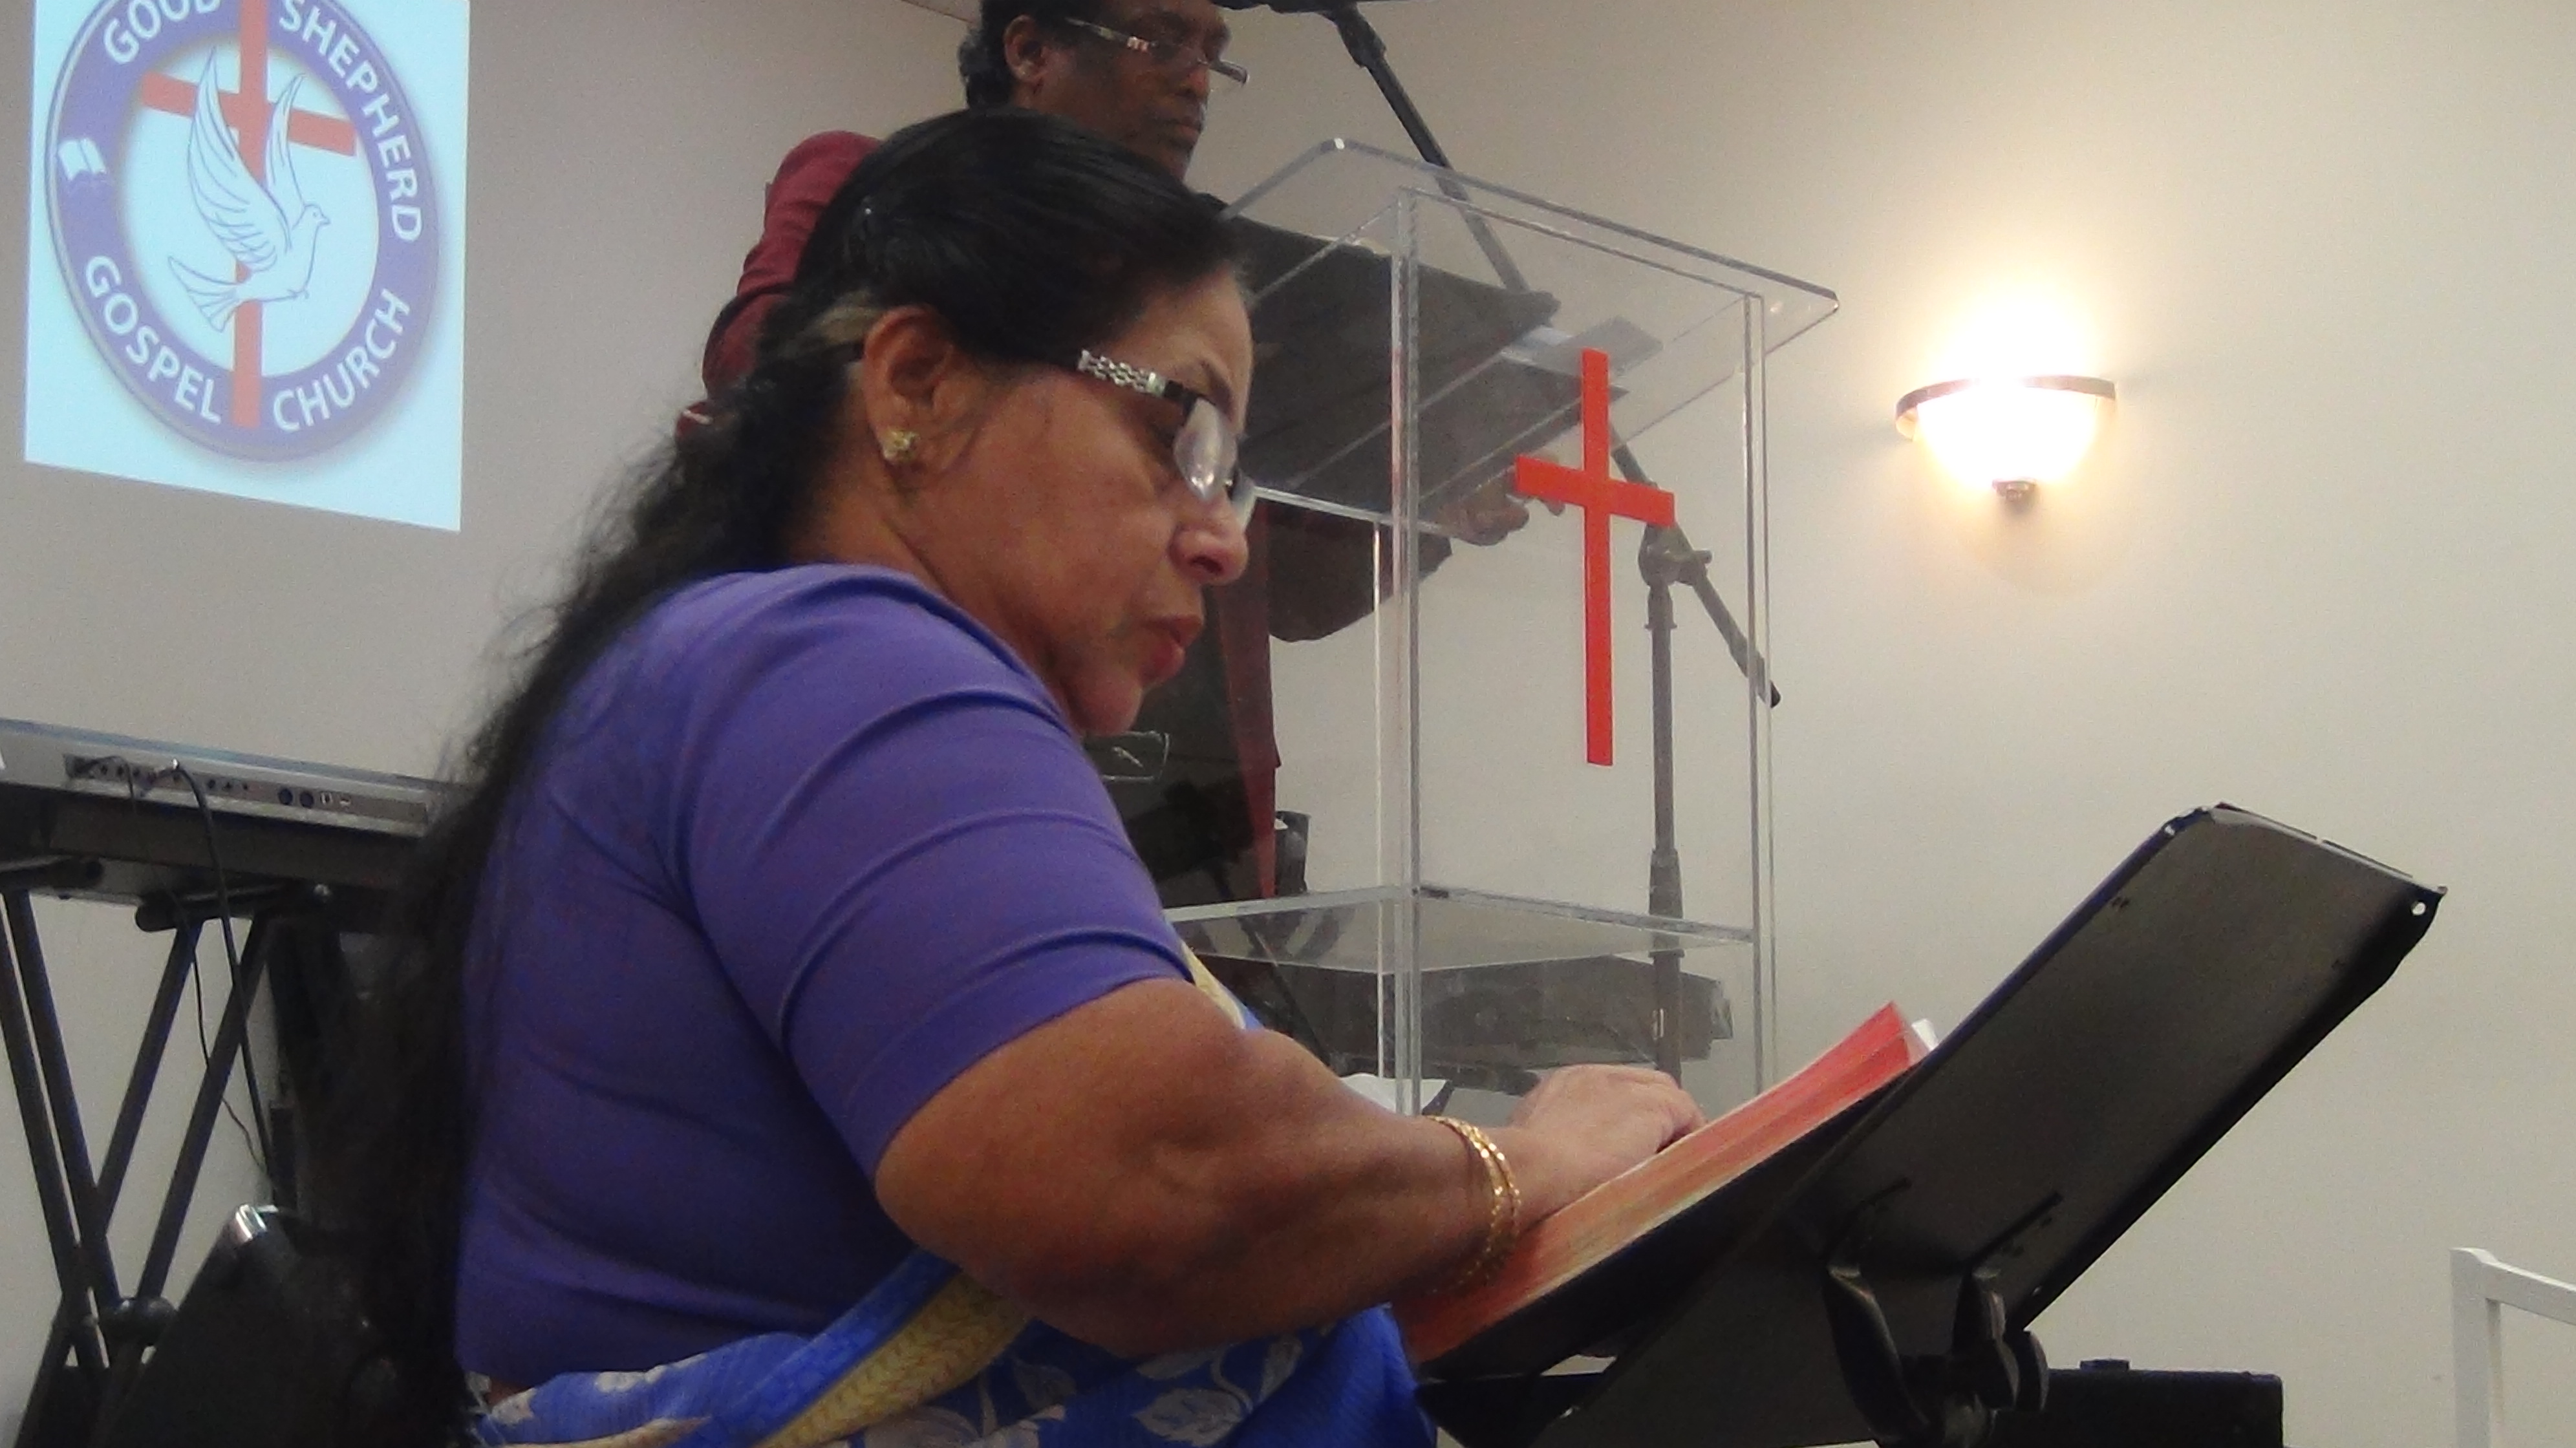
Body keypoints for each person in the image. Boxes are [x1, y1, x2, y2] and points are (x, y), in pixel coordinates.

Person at [319, 110, 1697, 1448]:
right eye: (1184, 435)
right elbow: (1153, 1182)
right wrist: (1530, 1164)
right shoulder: (842, 657)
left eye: (1233, 476)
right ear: (918, 385)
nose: (1223, 540)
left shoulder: (724, 659)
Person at [701, 0, 1525, 911]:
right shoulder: (878, 188)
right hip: (941, 740)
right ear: (1030, 48)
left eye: (1213, 52)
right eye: (1163, 39)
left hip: (1197, 800)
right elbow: (761, 369)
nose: (1197, 78)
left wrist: (1422, 495)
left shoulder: (1219, 287)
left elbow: (1286, 591)